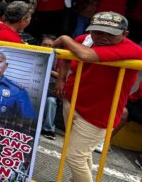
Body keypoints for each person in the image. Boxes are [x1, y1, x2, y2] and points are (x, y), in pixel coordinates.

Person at [53, 11, 142, 182]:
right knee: (82, 154)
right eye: (98, 32)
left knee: (74, 156)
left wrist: (65, 38)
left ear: (125, 34)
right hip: (71, 101)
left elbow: (85, 55)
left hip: (98, 114)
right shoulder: (86, 40)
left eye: (111, 34)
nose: (103, 37)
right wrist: (62, 79)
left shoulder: (132, 49)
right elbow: (67, 52)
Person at [39, 35, 59, 140]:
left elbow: (62, 75)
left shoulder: (60, 58)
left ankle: (48, 129)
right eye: (44, 44)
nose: (47, 47)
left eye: (50, 45)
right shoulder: (36, 53)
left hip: (50, 89)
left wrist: (48, 70)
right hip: (36, 86)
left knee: (51, 101)